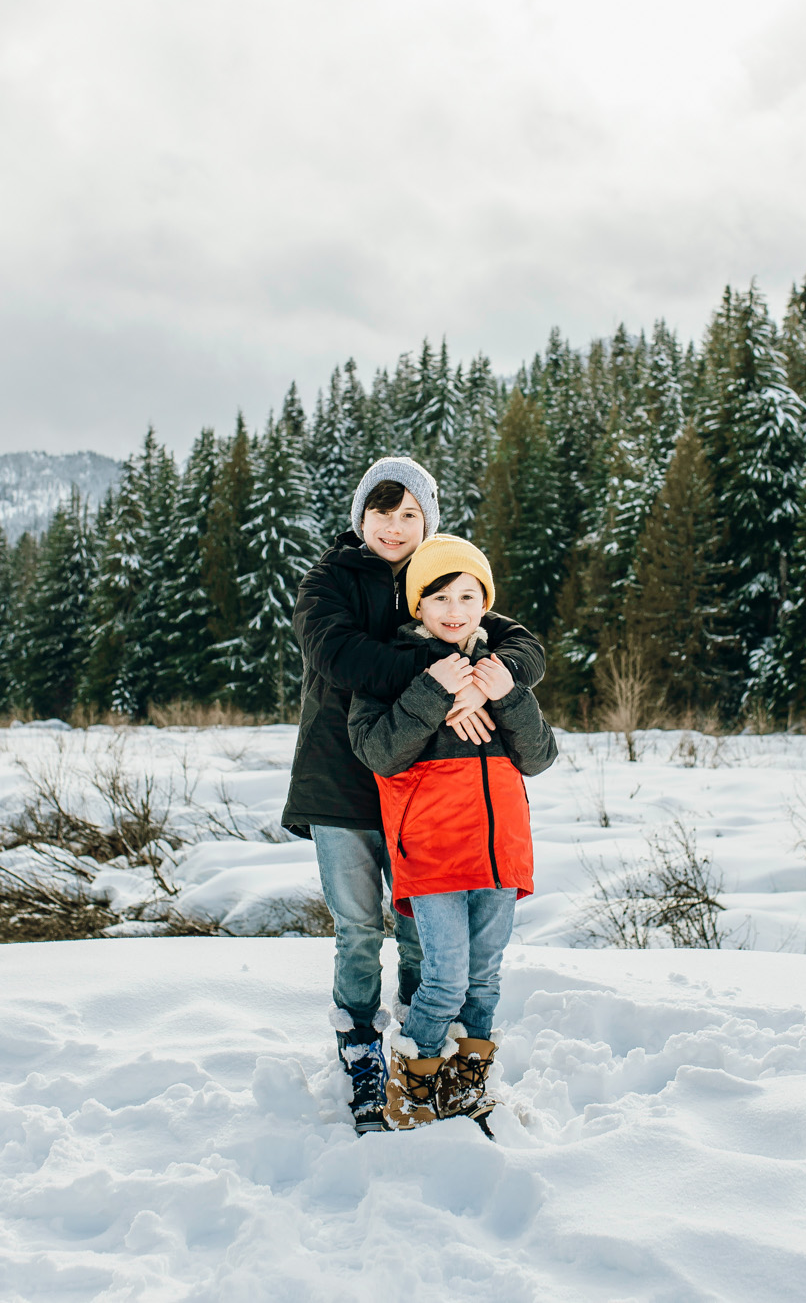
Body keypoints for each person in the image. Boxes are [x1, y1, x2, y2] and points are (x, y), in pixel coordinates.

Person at [282, 457, 545, 1134]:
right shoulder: (328, 582)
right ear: (360, 517)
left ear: (428, 519)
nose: (394, 527)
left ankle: (418, 1049)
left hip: (422, 787)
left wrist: (489, 676)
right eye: (381, 511)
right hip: (344, 780)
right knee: (359, 926)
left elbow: (521, 643)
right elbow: (344, 658)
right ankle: (362, 1048)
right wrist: (448, 674)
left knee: (424, 934)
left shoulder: (437, 581)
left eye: (409, 514)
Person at [347, 534, 558, 1130]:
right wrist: (436, 692)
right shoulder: (394, 668)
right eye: (439, 597)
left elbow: (539, 756)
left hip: (500, 848)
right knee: (444, 980)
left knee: (485, 982)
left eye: (468, 596)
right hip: (435, 850)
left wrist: (506, 695)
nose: (454, 609)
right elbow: (378, 752)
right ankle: (412, 1089)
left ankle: (465, 1091)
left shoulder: (498, 667)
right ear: (418, 605)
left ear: (484, 603)